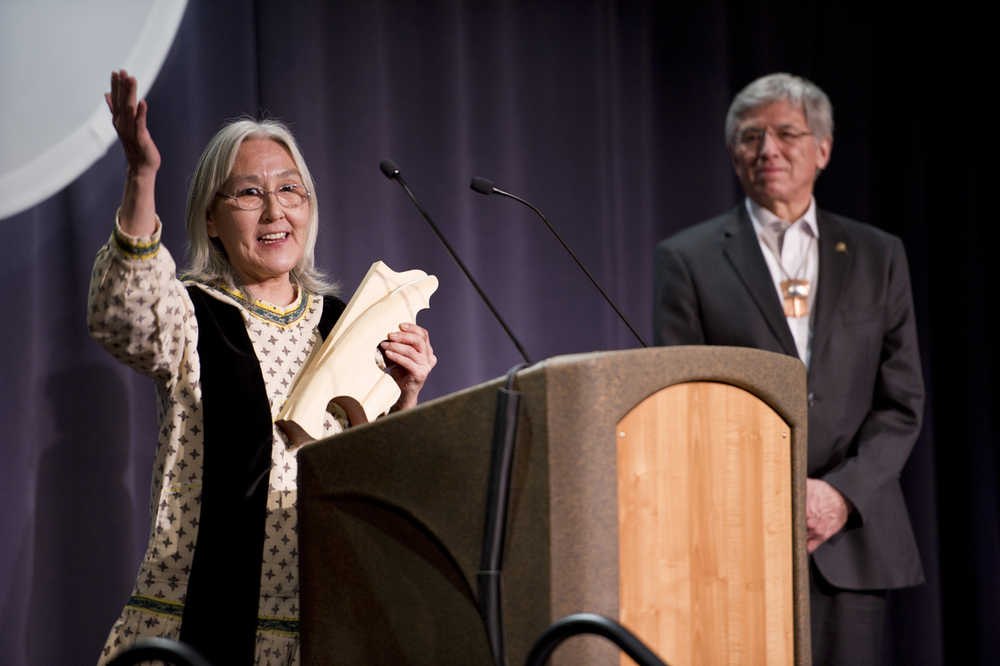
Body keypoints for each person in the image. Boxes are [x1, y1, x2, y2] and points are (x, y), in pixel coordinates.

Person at [90, 70, 437, 665]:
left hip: (323, 625)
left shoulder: (346, 323)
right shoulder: (192, 315)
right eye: (248, 193)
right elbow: (125, 316)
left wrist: (406, 397)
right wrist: (141, 175)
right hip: (199, 623)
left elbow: (379, 480)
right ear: (210, 220)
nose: (274, 209)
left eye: (290, 190)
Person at [653, 73, 924, 665]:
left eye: (786, 133)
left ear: (822, 149)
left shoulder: (878, 255)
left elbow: (902, 404)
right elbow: (681, 400)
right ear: (733, 153)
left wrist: (839, 494)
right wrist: (759, 494)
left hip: (849, 538)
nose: (767, 149)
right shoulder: (688, 258)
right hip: (735, 537)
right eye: (751, 137)